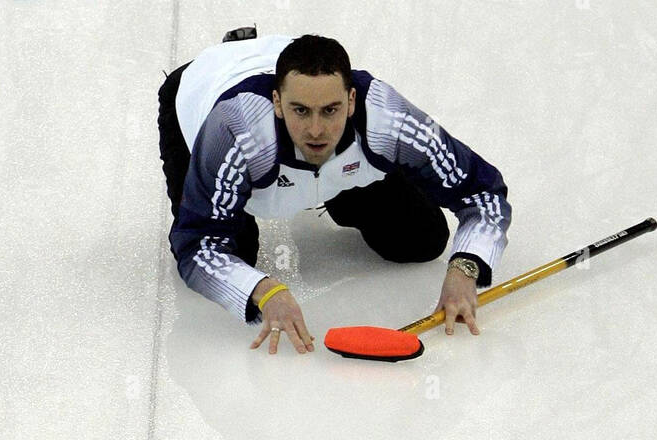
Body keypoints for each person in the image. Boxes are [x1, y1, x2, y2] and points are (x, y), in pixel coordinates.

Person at [157, 31, 511, 353]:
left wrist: (466, 268)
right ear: (277, 103)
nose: (316, 130)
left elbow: (482, 191)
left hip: (294, 91)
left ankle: (331, 183)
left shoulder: (387, 117)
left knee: (422, 240)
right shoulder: (235, 133)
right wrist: (266, 291)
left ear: (352, 100)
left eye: (331, 110)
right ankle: (234, 50)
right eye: (301, 111)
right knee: (240, 254)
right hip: (198, 88)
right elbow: (197, 245)